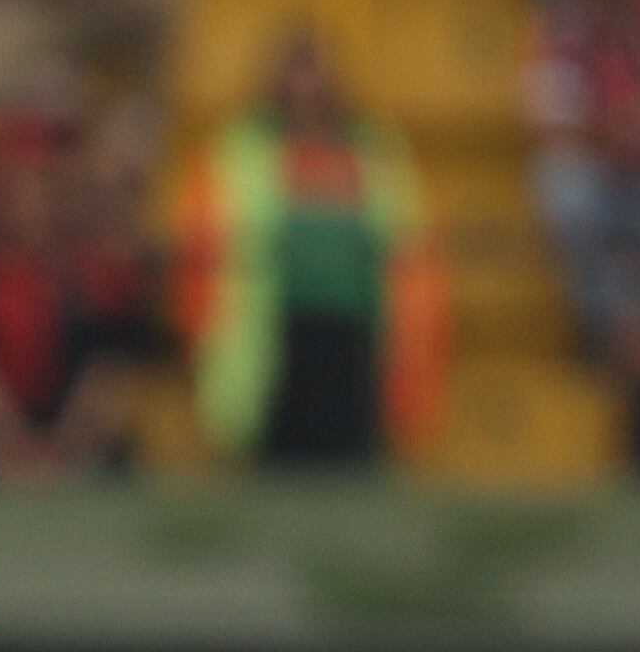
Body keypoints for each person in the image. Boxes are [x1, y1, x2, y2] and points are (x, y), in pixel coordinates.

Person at [176, 30, 446, 469]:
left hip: (356, 334)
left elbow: (408, 240)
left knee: (350, 468)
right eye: (296, 72)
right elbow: (209, 240)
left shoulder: (374, 147)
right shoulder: (242, 147)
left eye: (316, 73)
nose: (308, 88)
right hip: (270, 337)